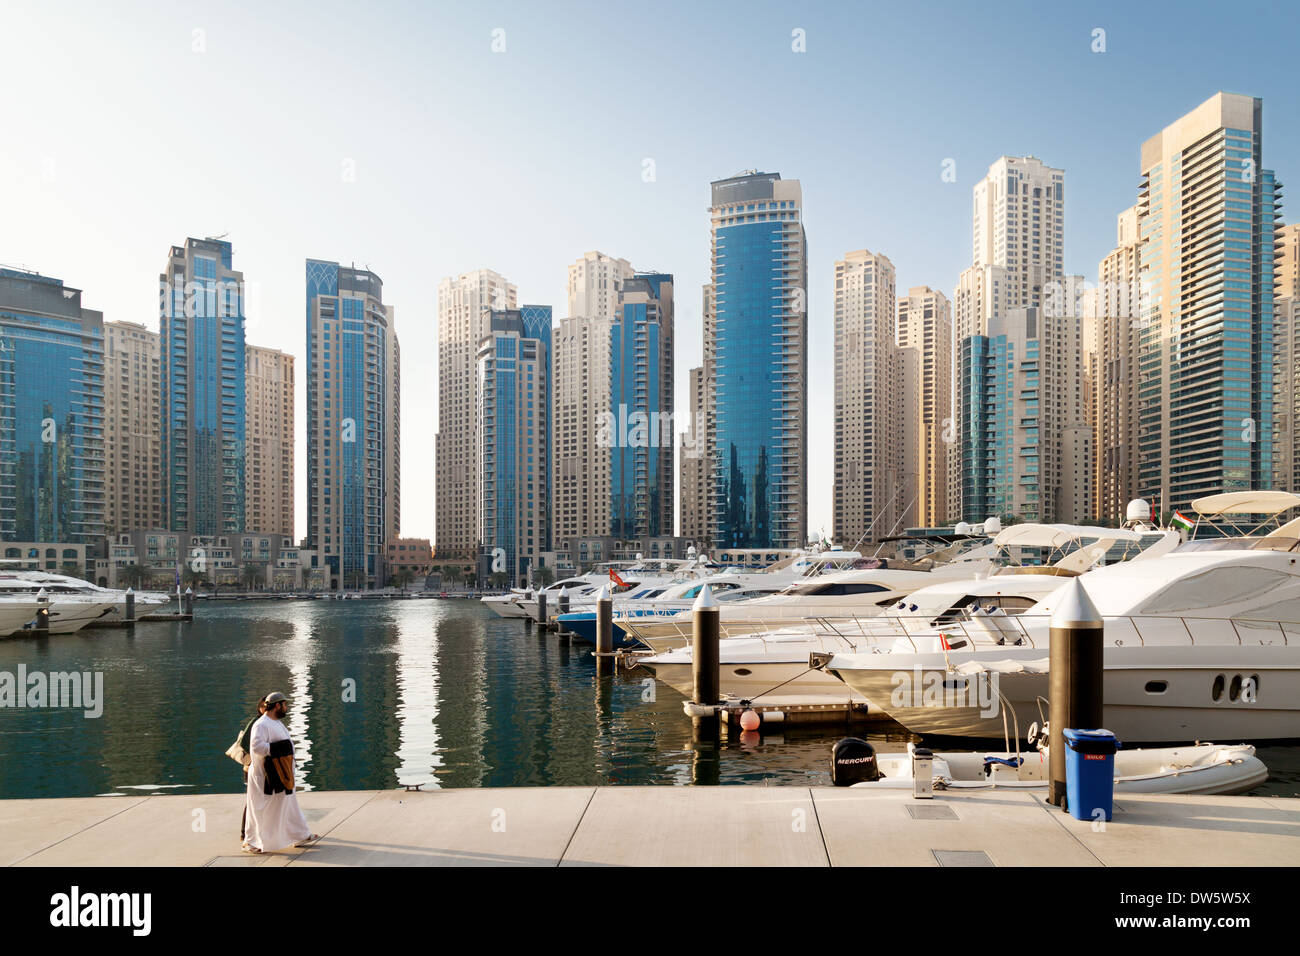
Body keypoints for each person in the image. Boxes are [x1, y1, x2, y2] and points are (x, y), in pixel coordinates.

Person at [242, 691, 318, 853]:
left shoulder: (275, 722)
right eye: (284, 705)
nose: (286, 708)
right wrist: (277, 749)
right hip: (266, 776)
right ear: (277, 705)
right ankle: (251, 841)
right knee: (259, 808)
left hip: (281, 773)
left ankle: (300, 835)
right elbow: (256, 747)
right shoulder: (261, 724)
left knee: (289, 804)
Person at [238, 695, 268, 843]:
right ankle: (245, 832)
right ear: (259, 708)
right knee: (252, 800)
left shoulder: (267, 722)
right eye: (263, 706)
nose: (265, 709)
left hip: (263, 768)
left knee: (264, 799)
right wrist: (256, 754)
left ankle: (261, 830)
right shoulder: (256, 722)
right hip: (251, 768)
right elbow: (244, 743)